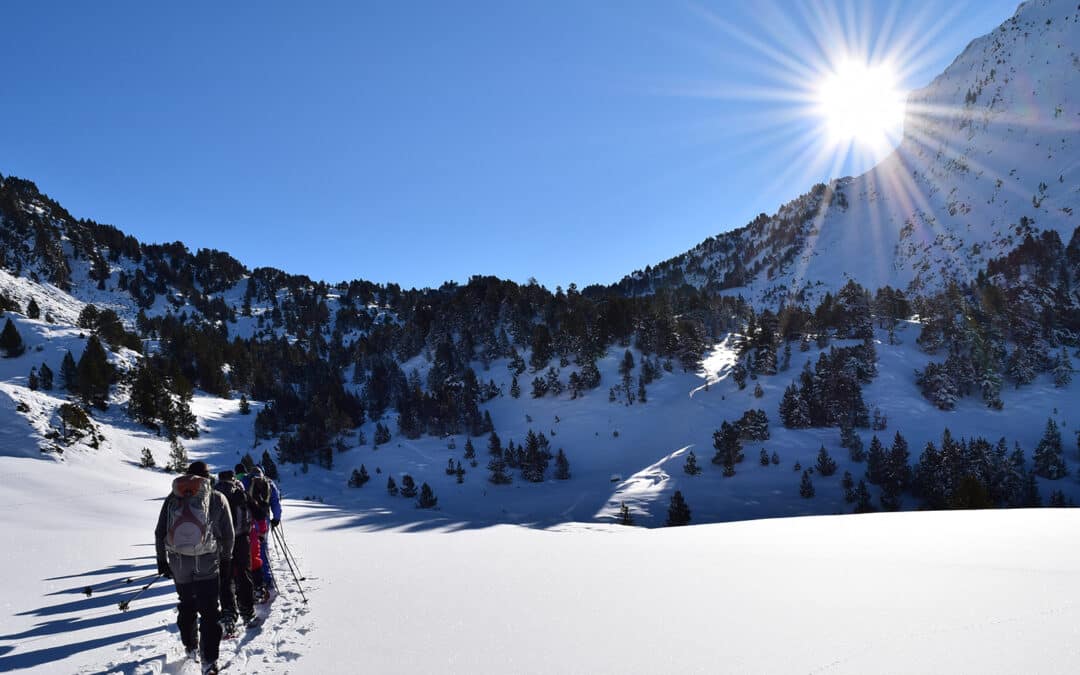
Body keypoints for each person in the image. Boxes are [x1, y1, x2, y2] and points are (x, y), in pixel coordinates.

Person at [155, 461, 233, 675]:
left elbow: (160, 531)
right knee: (209, 611)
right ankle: (209, 661)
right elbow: (228, 534)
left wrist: (162, 561)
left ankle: (190, 646)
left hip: (179, 563)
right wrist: (226, 559)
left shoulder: (173, 498)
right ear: (208, 478)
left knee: (187, 604)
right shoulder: (217, 498)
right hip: (208, 562)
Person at [214, 469, 256, 632]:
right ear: (233, 478)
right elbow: (258, 513)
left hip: (220, 542)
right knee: (244, 575)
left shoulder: (213, 495)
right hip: (241, 539)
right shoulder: (240, 492)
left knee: (225, 579)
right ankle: (247, 612)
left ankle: (228, 615)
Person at [237, 463, 282, 600]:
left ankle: (251, 579)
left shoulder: (245, 481)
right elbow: (275, 502)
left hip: (248, 520)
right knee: (262, 548)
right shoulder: (269, 483)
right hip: (264, 519)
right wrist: (276, 518)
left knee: (248, 550)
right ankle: (266, 579)